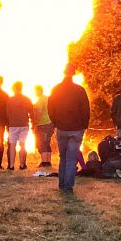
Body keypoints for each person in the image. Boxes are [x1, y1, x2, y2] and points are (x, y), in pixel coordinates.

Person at [47, 64, 90, 193]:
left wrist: (55, 122)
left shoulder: (56, 89)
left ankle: (61, 183)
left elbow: (50, 109)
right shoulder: (80, 90)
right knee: (71, 158)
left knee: (63, 157)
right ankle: (68, 186)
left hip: (62, 128)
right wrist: (84, 125)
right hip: (77, 129)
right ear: (74, 73)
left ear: (63, 72)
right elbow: (86, 110)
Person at [5, 81, 33, 170]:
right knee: (22, 145)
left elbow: (7, 113)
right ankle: (22, 165)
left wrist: (9, 122)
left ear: (13, 89)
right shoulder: (27, 99)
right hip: (24, 124)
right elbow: (31, 112)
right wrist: (33, 122)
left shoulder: (10, 100)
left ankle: (11, 166)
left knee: (12, 145)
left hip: (13, 125)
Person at [32, 84, 54, 168]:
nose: (35, 93)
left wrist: (35, 122)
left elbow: (39, 112)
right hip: (50, 123)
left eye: (35, 91)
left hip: (43, 124)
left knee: (42, 143)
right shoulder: (48, 98)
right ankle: (48, 162)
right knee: (47, 142)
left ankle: (44, 162)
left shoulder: (40, 100)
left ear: (38, 91)